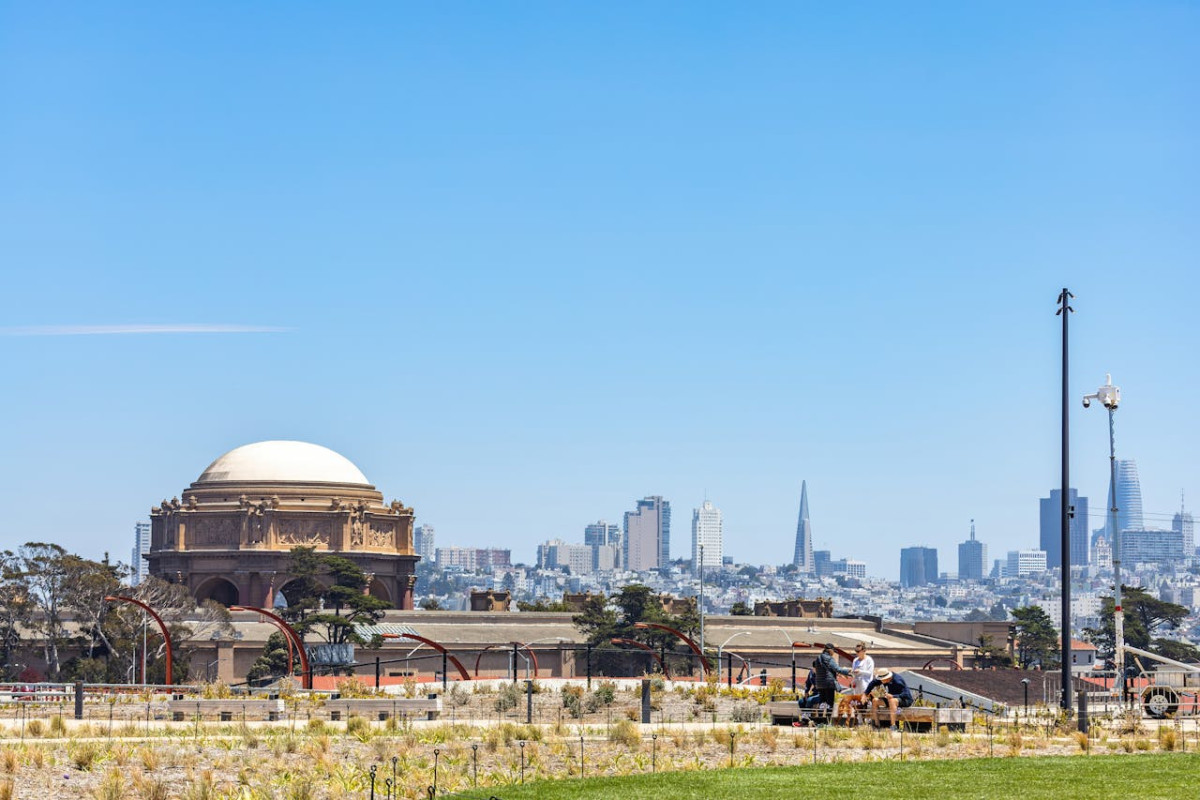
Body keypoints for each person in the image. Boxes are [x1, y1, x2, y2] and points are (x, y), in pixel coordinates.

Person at [811, 642, 852, 722]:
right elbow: (837, 669)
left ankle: (820, 720)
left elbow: (826, 670)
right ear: (830, 650)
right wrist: (849, 671)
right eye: (834, 650)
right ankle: (828, 721)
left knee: (822, 702)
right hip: (829, 684)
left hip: (820, 684)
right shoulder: (829, 659)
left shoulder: (818, 658)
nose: (834, 652)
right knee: (830, 703)